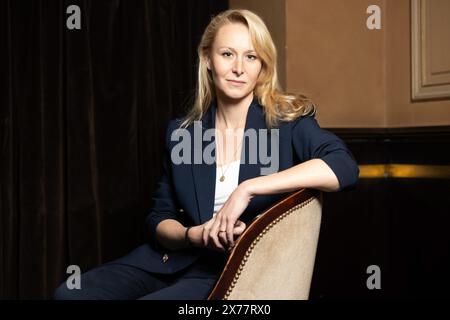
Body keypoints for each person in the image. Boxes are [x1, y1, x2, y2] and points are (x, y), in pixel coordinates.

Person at [54, 9, 359, 300]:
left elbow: (343, 167)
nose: (239, 67)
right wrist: (192, 235)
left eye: (251, 57)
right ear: (208, 59)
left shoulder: (287, 123)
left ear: (262, 66)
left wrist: (247, 189)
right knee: (71, 293)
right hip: (169, 260)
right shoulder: (183, 133)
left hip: (233, 271)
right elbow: (159, 217)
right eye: (228, 54)